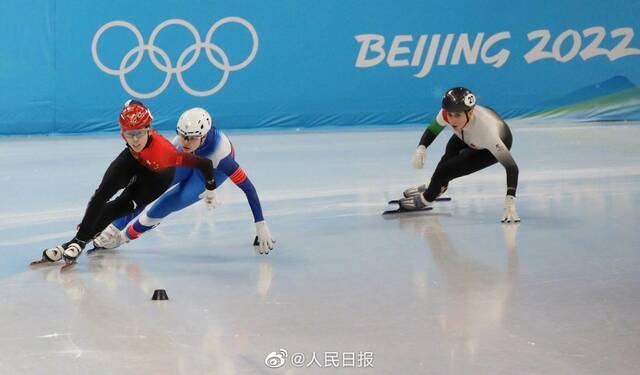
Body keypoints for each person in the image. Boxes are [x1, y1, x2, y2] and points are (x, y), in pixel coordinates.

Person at [34, 100, 217, 265]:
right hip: (133, 160)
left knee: (116, 207)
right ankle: (77, 242)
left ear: (148, 129)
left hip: (156, 179)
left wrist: (210, 188)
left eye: (139, 133)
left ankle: (75, 242)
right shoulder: (132, 144)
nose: (135, 139)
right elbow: (132, 104)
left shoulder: (166, 153)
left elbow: (205, 163)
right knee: (102, 193)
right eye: (130, 134)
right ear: (123, 134)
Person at [92, 107, 275, 254]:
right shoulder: (180, 142)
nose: (186, 142)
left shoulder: (222, 156)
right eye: (182, 136)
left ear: (203, 137)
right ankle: (112, 230)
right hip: (186, 161)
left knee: (163, 206)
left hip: (208, 175)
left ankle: (123, 238)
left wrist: (261, 224)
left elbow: (248, 188)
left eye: (191, 139)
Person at [400, 87, 520, 223]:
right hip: (468, 132)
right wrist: (422, 147)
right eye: (450, 115)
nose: (452, 120)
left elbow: (512, 167)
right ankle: (437, 188)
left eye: (457, 115)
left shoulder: (487, 133)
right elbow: (433, 129)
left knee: (444, 171)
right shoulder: (448, 113)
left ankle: (427, 199)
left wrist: (510, 201)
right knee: (449, 152)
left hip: (490, 147)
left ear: (470, 112)